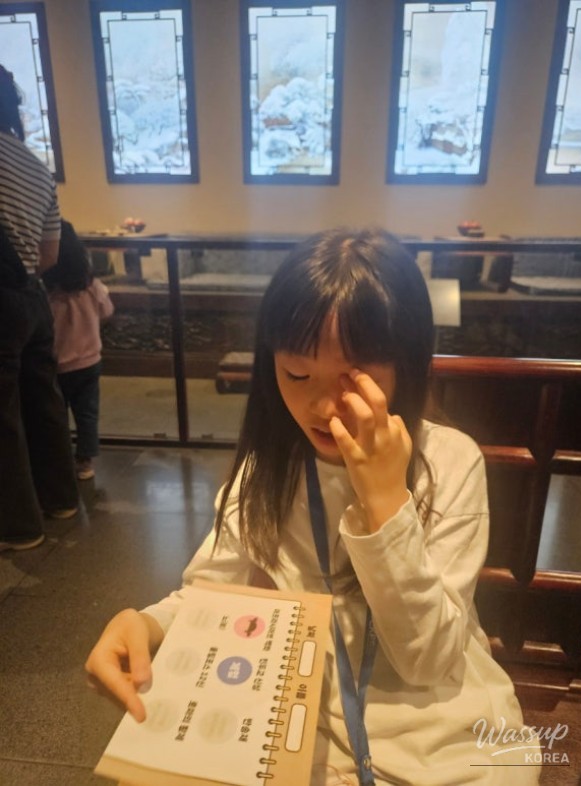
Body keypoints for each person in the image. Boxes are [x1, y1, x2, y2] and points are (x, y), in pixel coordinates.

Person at [86, 228, 540, 785]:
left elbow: (427, 661)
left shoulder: (449, 462)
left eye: (353, 379)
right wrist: (146, 622)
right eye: (297, 374)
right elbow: (212, 596)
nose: (323, 407)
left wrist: (383, 499)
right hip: (308, 712)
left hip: (436, 728)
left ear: (407, 361)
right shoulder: (268, 468)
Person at [0, 65, 79, 551]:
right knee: (43, 401)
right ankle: (61, 498)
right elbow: (49, 255)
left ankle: (18, 525)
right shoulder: (32, 162)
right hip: (31, 297)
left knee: (3, 414)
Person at [42, 220, 114, 480]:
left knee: (56, 415)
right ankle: (85, 463)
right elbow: (107, 310)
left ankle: (59, 460)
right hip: (89, 361)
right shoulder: (91, 286)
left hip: (56, 364)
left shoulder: (46, 291)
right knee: (87, 414)